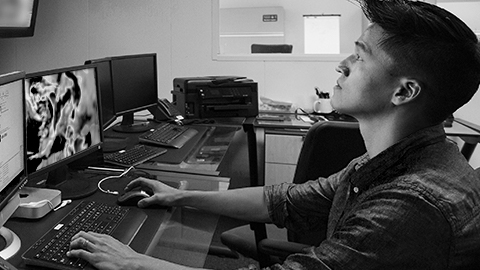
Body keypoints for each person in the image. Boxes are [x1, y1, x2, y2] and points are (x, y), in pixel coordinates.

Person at [68, 0, 480, 269]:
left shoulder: (413, 205)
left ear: (404, 91)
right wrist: (178, 195)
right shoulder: (385, 162)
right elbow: (284, 201)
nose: (342, 63)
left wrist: (132, 263)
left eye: (360, 55)